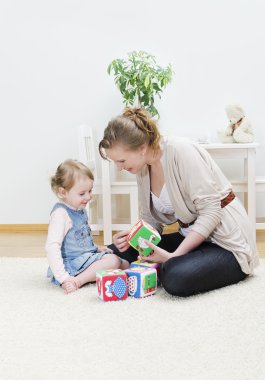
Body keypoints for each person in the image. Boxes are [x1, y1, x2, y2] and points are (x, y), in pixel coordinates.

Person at [99, 107, 259, 297]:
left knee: (176, 277)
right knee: (114, 250)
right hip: (191, 236)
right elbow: (151, 220)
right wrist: (135, 237)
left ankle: (177, 263)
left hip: (225, 241)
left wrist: (173, 256)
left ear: (141, 148)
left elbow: (211, 212)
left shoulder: (181, 150)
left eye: (121, 161)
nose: (119, 168)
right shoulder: (141, 168)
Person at [45, 159, 128, 294]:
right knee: (113, 261)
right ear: (63, 192)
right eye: (82, 193)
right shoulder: (61, 214)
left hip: (84, 257)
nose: (89, 196)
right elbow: (52, 247)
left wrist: (95, 248)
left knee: (124, 263)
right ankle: (78, 281)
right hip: (71, 265)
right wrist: (64, 278)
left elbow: (81, 238)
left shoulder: (78, 208)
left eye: (90, 191)